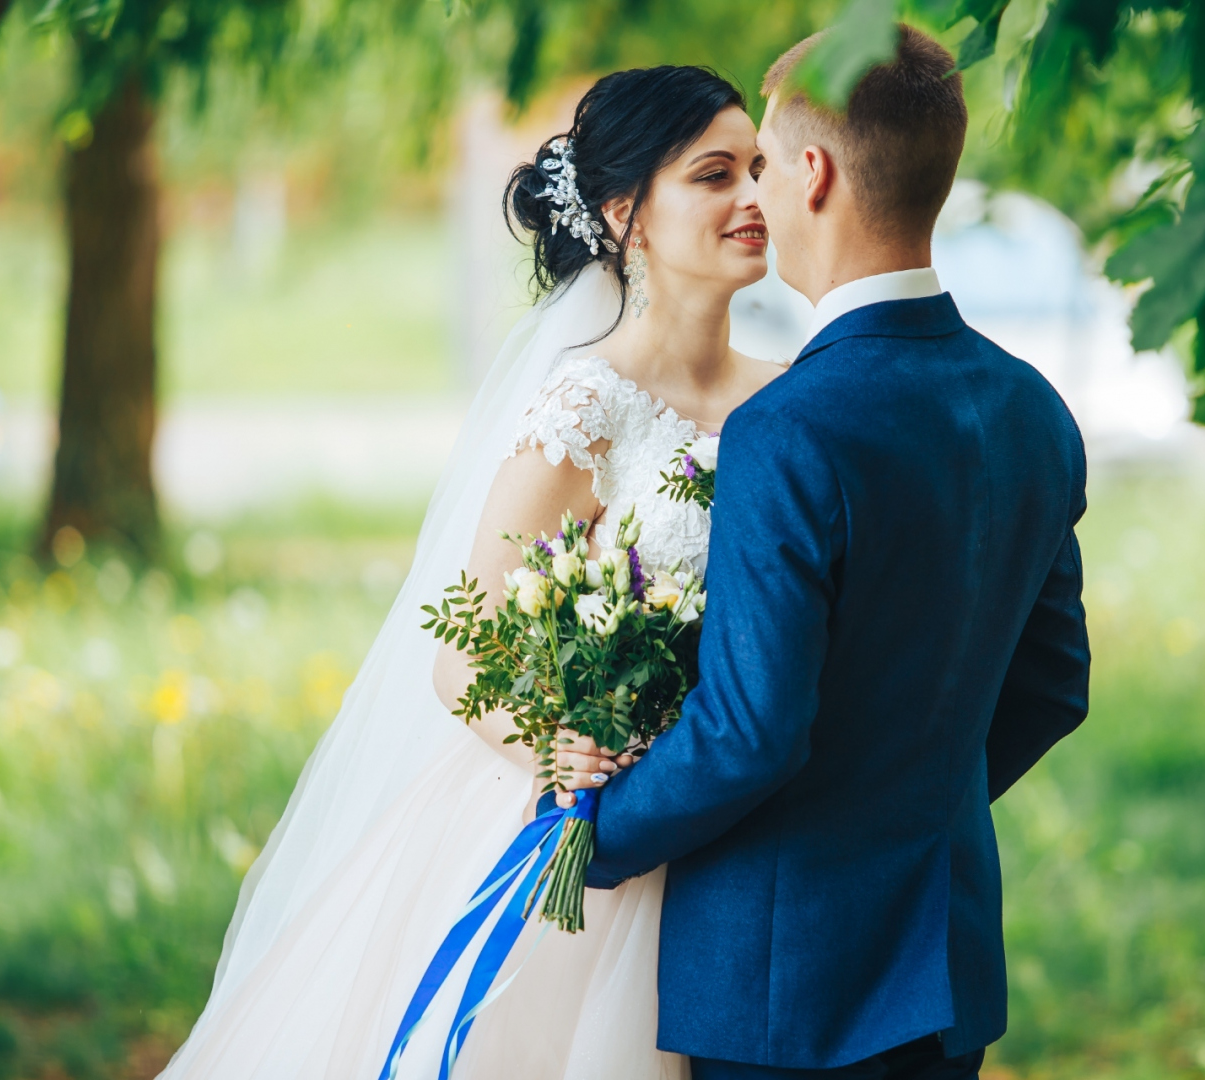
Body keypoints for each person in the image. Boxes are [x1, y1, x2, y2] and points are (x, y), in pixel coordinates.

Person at [155, 66, 787, 1080]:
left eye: (759, 168)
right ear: (626, 214)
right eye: (716, 175)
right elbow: (464, 654)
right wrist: (559, 744)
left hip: (749, 821)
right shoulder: (586, 407)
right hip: (597, 823)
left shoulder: (794, 400)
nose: (756, 198)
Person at [576, 25, 1091, 1080]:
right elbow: (1053, 687)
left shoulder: (791, 429)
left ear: (811, 174)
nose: (754, 194)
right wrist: (903, 808)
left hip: (783, 982)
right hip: (945, 968)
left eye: (759, 163)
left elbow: (747, 735)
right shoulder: (1033, 410)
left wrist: (592, 837)